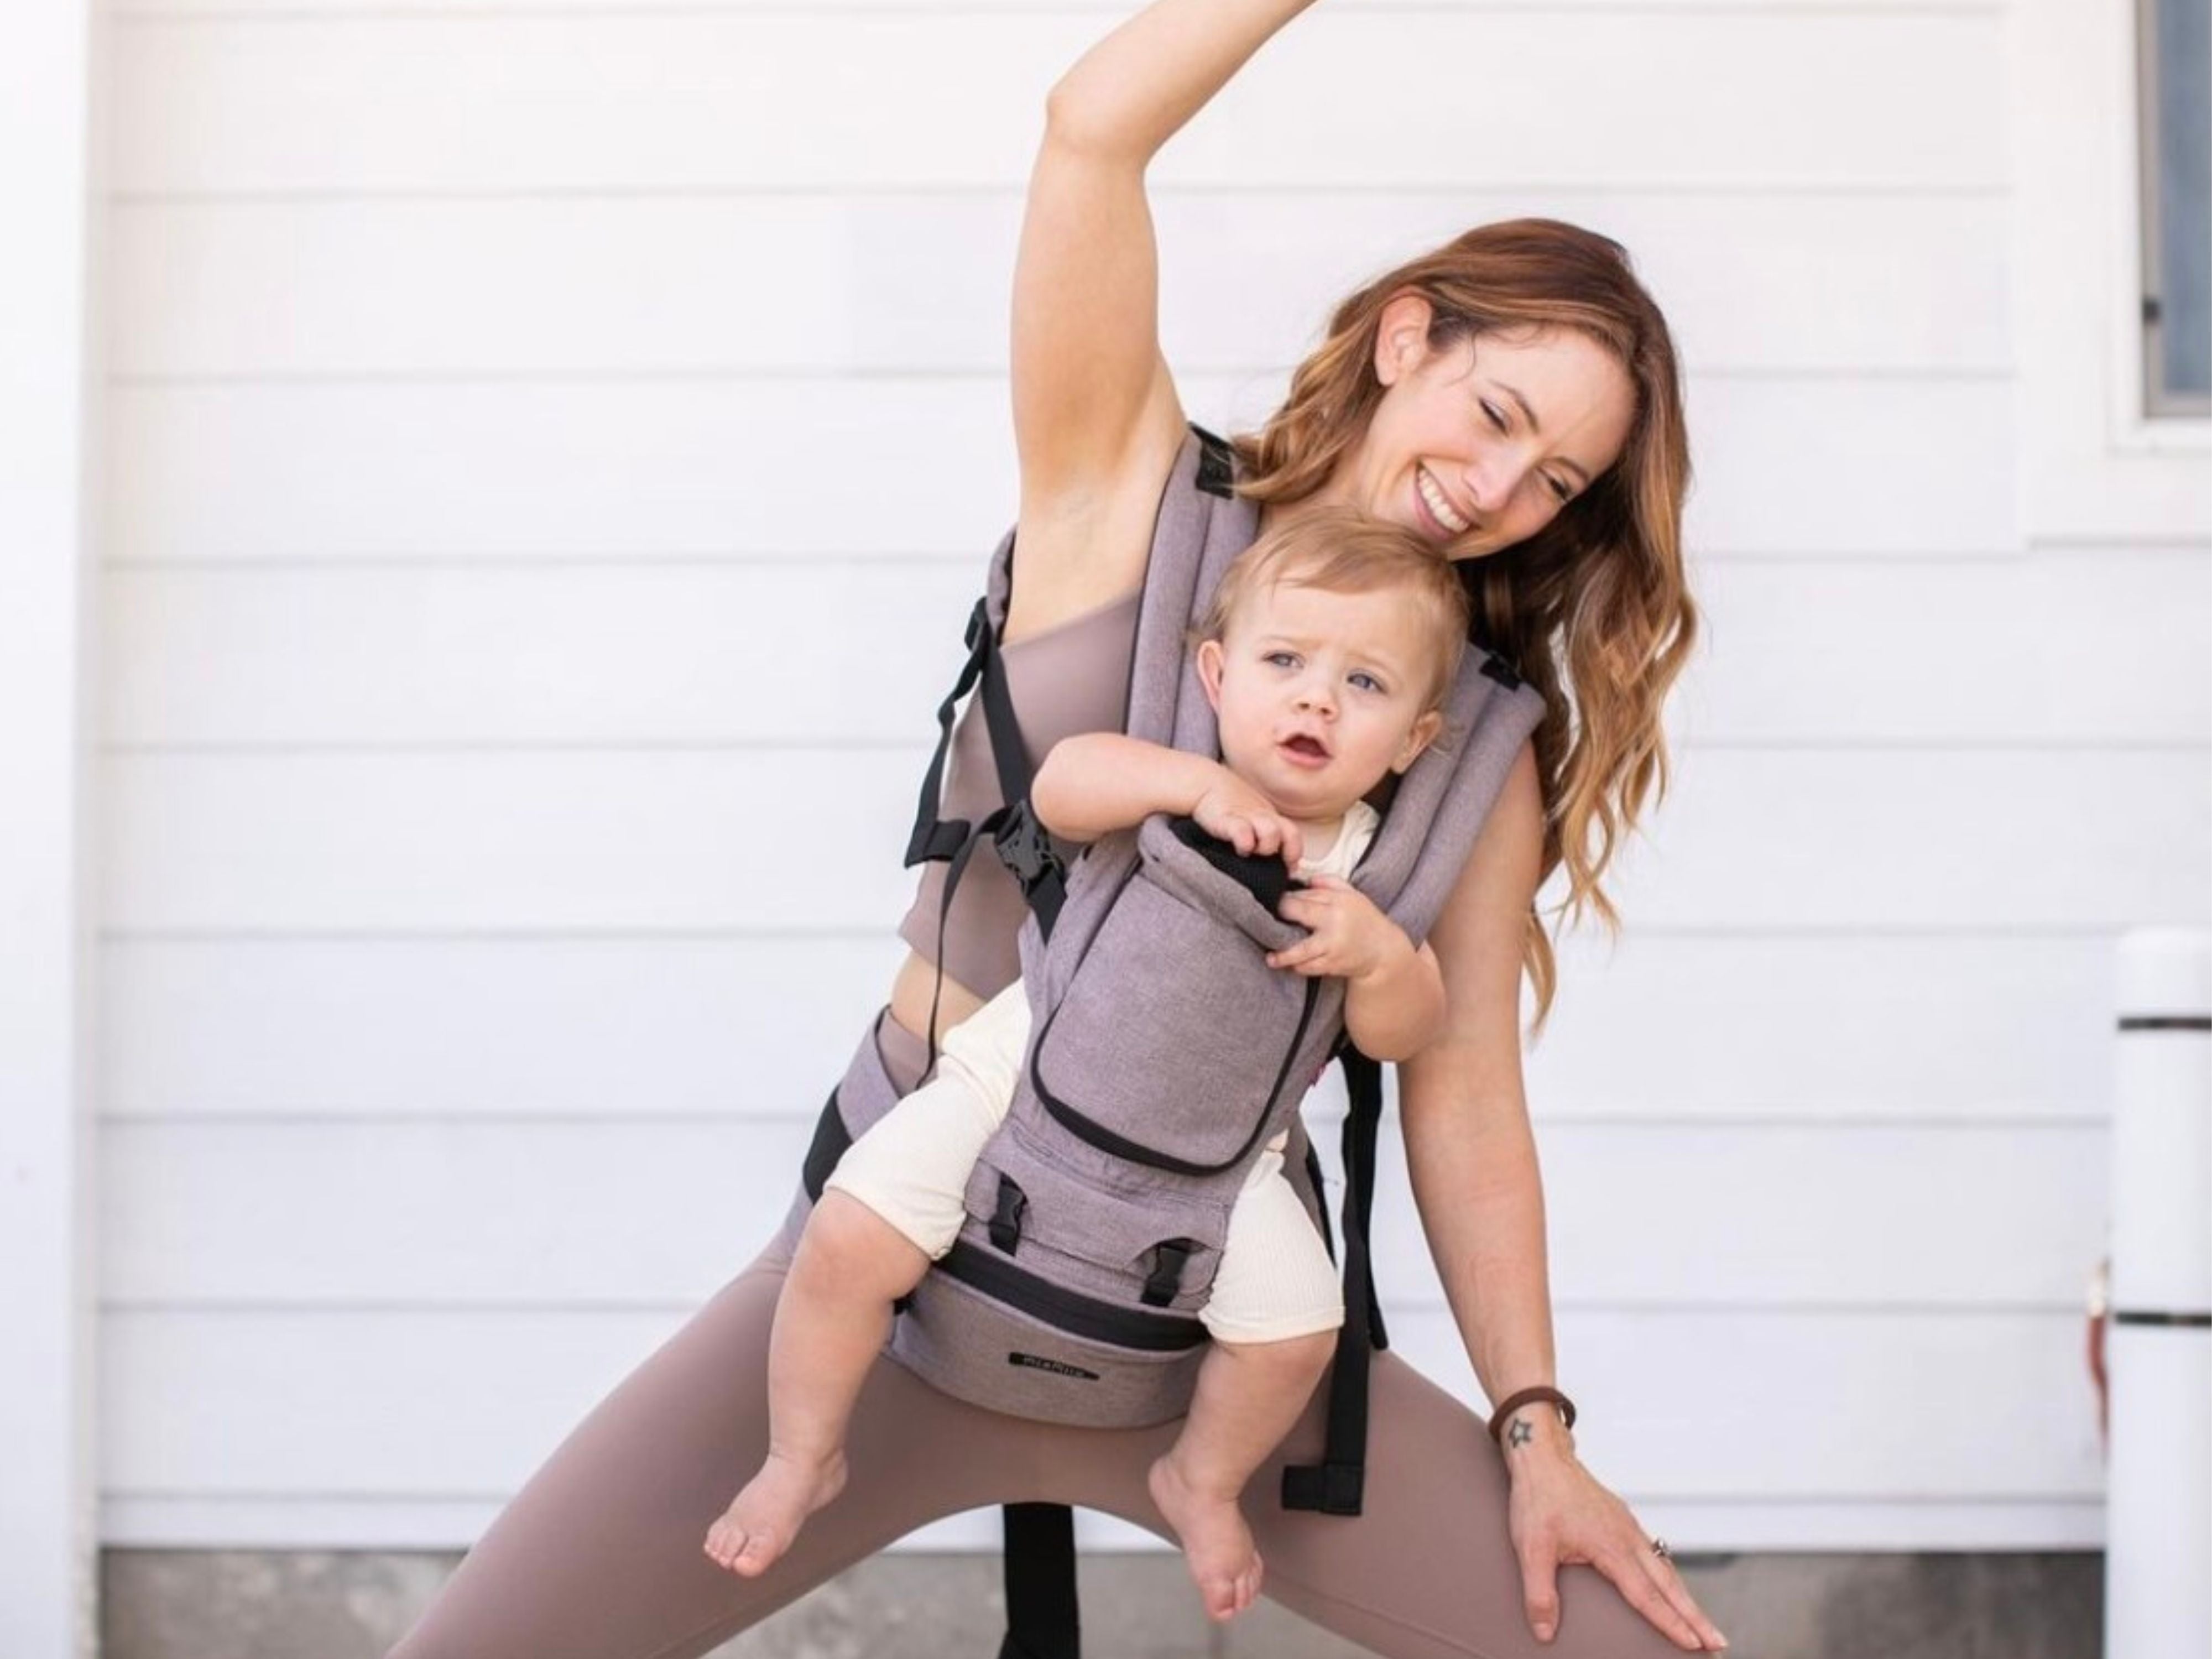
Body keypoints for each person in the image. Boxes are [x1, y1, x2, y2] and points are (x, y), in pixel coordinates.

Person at [388, 0, 1729, 1651]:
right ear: (1407, 340)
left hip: (1209, 1341)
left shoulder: (1475, 752)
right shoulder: (1126, 489)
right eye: (1501, 413)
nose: (1502, 488)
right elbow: (1092, 127)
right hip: (884, 1287)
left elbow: (1464, 1105)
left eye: (1559, 483)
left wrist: (1540, 1434)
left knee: (1611, 1640)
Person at [704, 516, 1467, 1619]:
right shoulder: (1171, 772)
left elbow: (1404, 1031)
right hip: (1014, 1082)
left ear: (1410, 739)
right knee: (846, 1233)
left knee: (1296, 1331)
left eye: (1363, 683)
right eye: (1284, 663)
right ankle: (801, 1455)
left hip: (1219, 1169)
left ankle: (1196, 1479)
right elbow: (1061, 789)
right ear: (1215, 674)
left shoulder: (1369, 871)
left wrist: (1380, 960)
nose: (1314, 701)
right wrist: (1187, 789)